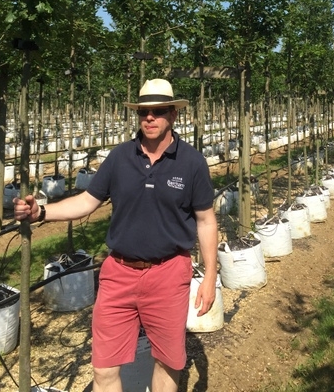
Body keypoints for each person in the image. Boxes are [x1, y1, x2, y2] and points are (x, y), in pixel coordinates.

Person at [14, 78, 218, 392]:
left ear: (173, 115)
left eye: (158, 111)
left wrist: (209, 277)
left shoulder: (191, 162)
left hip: (168, 273)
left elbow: (205, 221)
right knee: (104, 369)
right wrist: (41, 212)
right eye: (143, 112)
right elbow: (86, 201)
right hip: (118, 273)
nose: (150, 118)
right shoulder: (120, 157)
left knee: (167, 363)